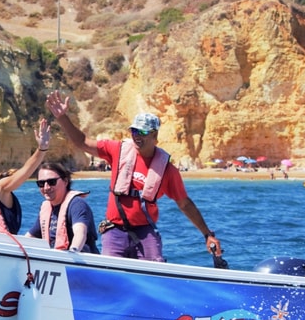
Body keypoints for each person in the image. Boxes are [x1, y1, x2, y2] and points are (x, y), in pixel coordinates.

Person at [45, 91, 223, 262]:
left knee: (155, 272)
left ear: (155, 135)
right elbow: (82, 142)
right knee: (111, 275)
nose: (137, 136)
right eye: (134, 131)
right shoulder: (117, 150)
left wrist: (207, 234)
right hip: (114, 230)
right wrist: (62, 117)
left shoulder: (167, 170)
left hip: (145, 231)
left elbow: (184, 204)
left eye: (143, 132)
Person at [26, 162, 96, 252]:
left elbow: (80, 232)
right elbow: (30, 237)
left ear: (65, 181)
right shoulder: (46, 208)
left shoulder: (77, 204)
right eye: (41, 183)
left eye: (52, 182)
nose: (46, 187)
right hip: (54, 259)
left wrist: (73, 250)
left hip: (78, 261)